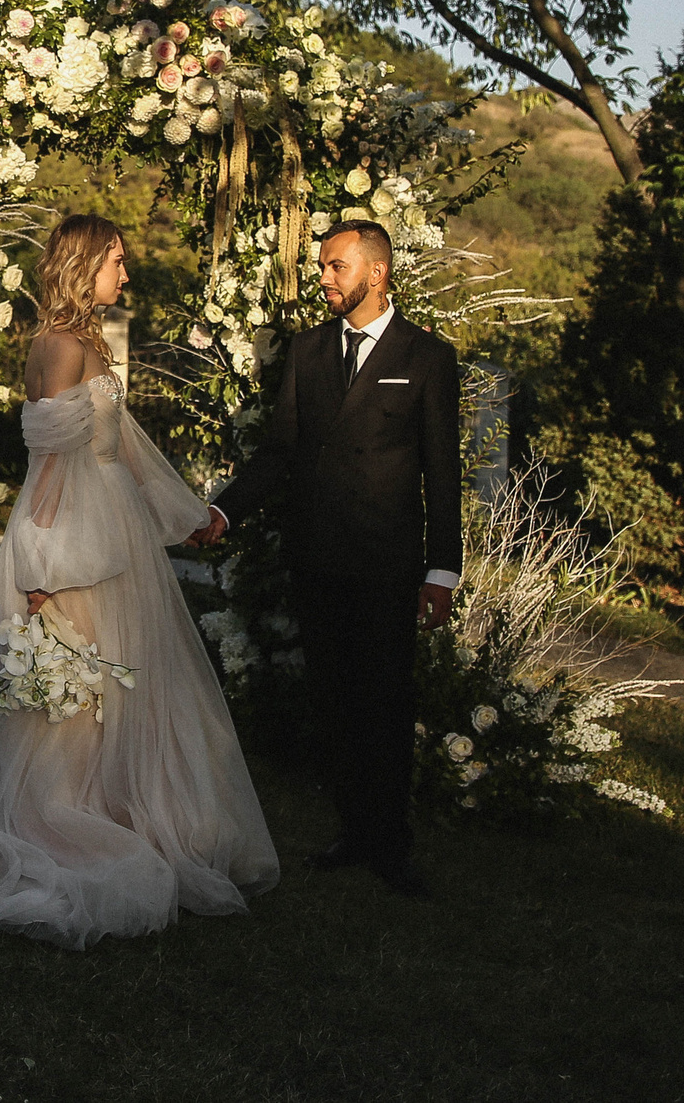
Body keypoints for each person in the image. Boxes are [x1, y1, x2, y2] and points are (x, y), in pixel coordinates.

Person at [0, 214, 280, 948]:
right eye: (117, 262)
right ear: (83, 264)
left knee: (120, 687)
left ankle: (123, 802)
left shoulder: (83, 340)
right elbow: (53, 469)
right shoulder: (62, 345)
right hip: (77, 537)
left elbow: (122, 446)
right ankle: (74, 816)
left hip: (115, 525)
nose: (125, 274)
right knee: (79, 698)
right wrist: (42, 572)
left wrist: (188, 511)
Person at [210, 220, 460, 897]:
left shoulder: (427, 356)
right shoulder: (310, 351)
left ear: (376, 273)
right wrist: (224, 510)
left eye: (337, 267)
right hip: (320, 558)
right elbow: (282, 451)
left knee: (385, 700)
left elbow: (443, 471)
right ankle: (353, 829)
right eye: (323, 266)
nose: (324, 278)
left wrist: (443, 569)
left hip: (387, 561)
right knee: (335, 701)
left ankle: (391, 843)